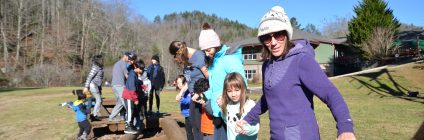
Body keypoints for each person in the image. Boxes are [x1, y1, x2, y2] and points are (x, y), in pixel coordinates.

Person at [237, 6, 356, 140]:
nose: (273, 42)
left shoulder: (301, 61)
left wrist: (345, 127)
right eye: (267, 38)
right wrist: (248, 119)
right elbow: (268, 98)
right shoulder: (267, 66)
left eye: (278, 35)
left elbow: (330, 93)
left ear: (287, 35)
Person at [199, 22, 247, 140]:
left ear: (216, 44)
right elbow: (216, 88)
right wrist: (205, 95)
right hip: (218, 112)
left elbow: (242, 83)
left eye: (208, 49)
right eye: (204, 51)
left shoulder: (229, 60)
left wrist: (226, 98)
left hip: (230, 112)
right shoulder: (214, 62)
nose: (207, 53)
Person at [169, 40, 208, 140]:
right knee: (194, 126)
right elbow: (189, 80)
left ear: (179, 52)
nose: (177, 59)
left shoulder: (198, 56)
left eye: (176, 56)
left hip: (201, 97)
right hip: (193, 97)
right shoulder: (186, 58)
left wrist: (200, 93)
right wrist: (181, 92)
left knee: (200, 128)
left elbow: (210, 77)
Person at [217, 72, 259, 140]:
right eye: (229, 91)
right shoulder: (228, 105)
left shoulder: (250, 105)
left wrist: (246, 129)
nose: (233, 94)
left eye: (237, 90)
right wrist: (222, 107)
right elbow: (227, 122)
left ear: (243, 89)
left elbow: (256, 128)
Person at [109, 52, 136, 122]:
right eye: (128, 58)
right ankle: (132, 119)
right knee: (126, 102)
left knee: (120, 103)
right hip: (119, 85)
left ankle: (111, 117)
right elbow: (127, 75)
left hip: (114, 85)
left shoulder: (117, 63)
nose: (129, 59)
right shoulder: (123, 63)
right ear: (125, 56)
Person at [122, 58, 145, 134]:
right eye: (141, 69)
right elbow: (132, 89)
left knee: (131, 110)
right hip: (129, 96)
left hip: (130, 96)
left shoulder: (134, 74)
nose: (142, 70)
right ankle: (128, 126)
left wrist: (142, 85)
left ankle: (130, 125)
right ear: (136, 67)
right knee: (130, 110)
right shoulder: (132, 75)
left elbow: (136, 83)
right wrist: (135, 99)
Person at [83, 54, 104, 121]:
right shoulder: (95, 67)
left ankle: (93, 114)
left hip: (96, 86)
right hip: (93, 85)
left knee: (99, 100)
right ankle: (94, 115)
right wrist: (86, 87)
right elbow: (89, 77)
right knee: (99, 100)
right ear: (98, 60)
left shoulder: (99, 67)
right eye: (101, 59)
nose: (102, 60)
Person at [175, 75, 194, 140]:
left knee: (190, 132)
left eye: (180, 83)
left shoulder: (189, 91)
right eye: (177, 83)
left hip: (191, 114)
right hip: (187, 114)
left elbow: (190, 101)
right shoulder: (182, 92)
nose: (178, 85)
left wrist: (181, 99)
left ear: (185, 82)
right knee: (188, 131)